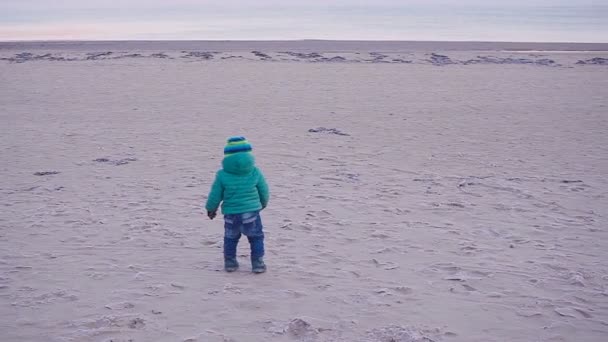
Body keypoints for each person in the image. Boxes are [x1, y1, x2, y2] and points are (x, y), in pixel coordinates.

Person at [205, 136, 269, 273]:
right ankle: (257, 263)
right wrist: (263, 203)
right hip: (252, 212)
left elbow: (215, 194)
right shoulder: (255, 171)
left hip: (231, 214)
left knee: (231, 238)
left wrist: (211, 209)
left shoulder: (222, 174)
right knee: (256, 237)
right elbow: (264, 190)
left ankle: (230, 263)